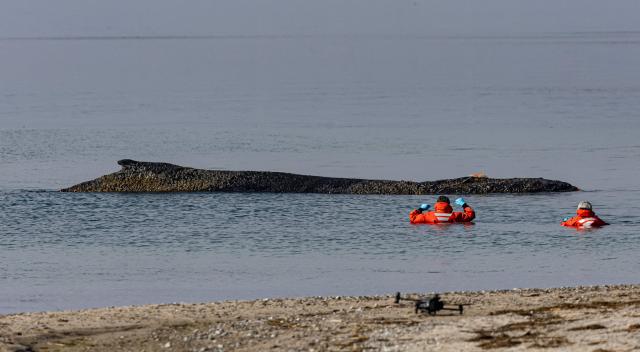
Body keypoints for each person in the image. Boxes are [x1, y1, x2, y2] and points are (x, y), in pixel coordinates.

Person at [409, 196, 475, 224]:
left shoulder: (428, 215)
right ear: (449, 205)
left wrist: (420, 209)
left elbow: (413, 218)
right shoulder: (455, 215)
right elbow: (470, 215)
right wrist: (464, 204)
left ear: (436, 205)